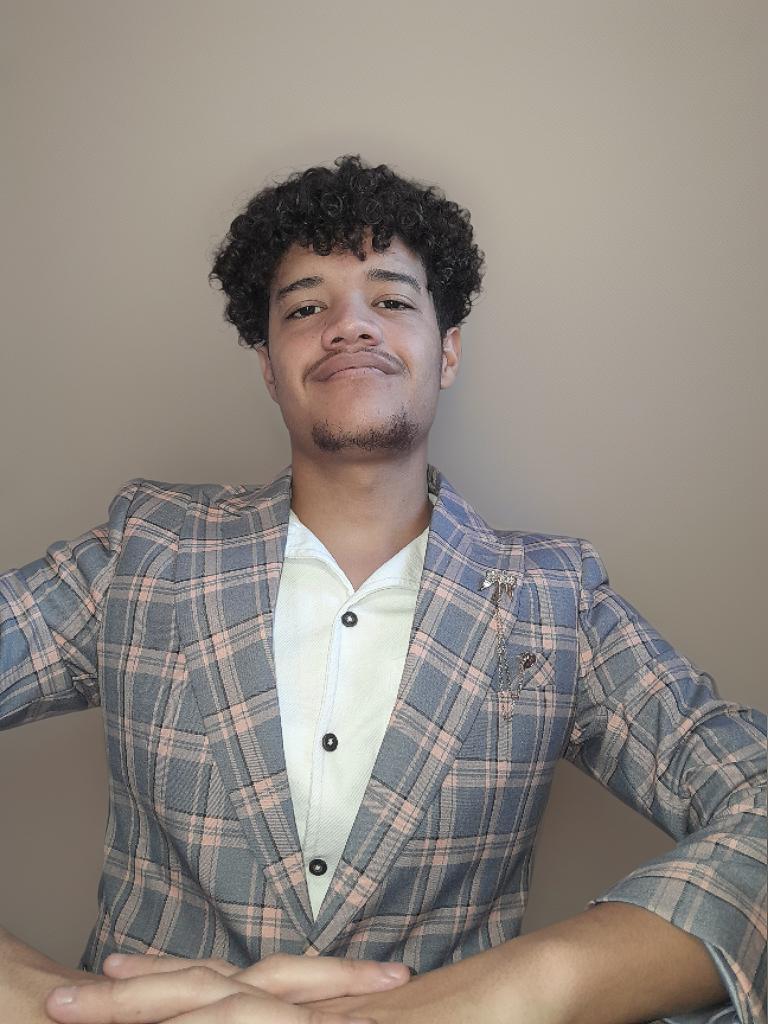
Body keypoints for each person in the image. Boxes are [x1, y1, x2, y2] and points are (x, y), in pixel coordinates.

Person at [0, 155, 764, 1024]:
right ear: (268, 365)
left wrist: (524, 987)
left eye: (392, 301)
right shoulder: (145, 551)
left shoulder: (557, 601)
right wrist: (41, 999)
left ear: (447, 352)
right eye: (305, 308)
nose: (349, 326)